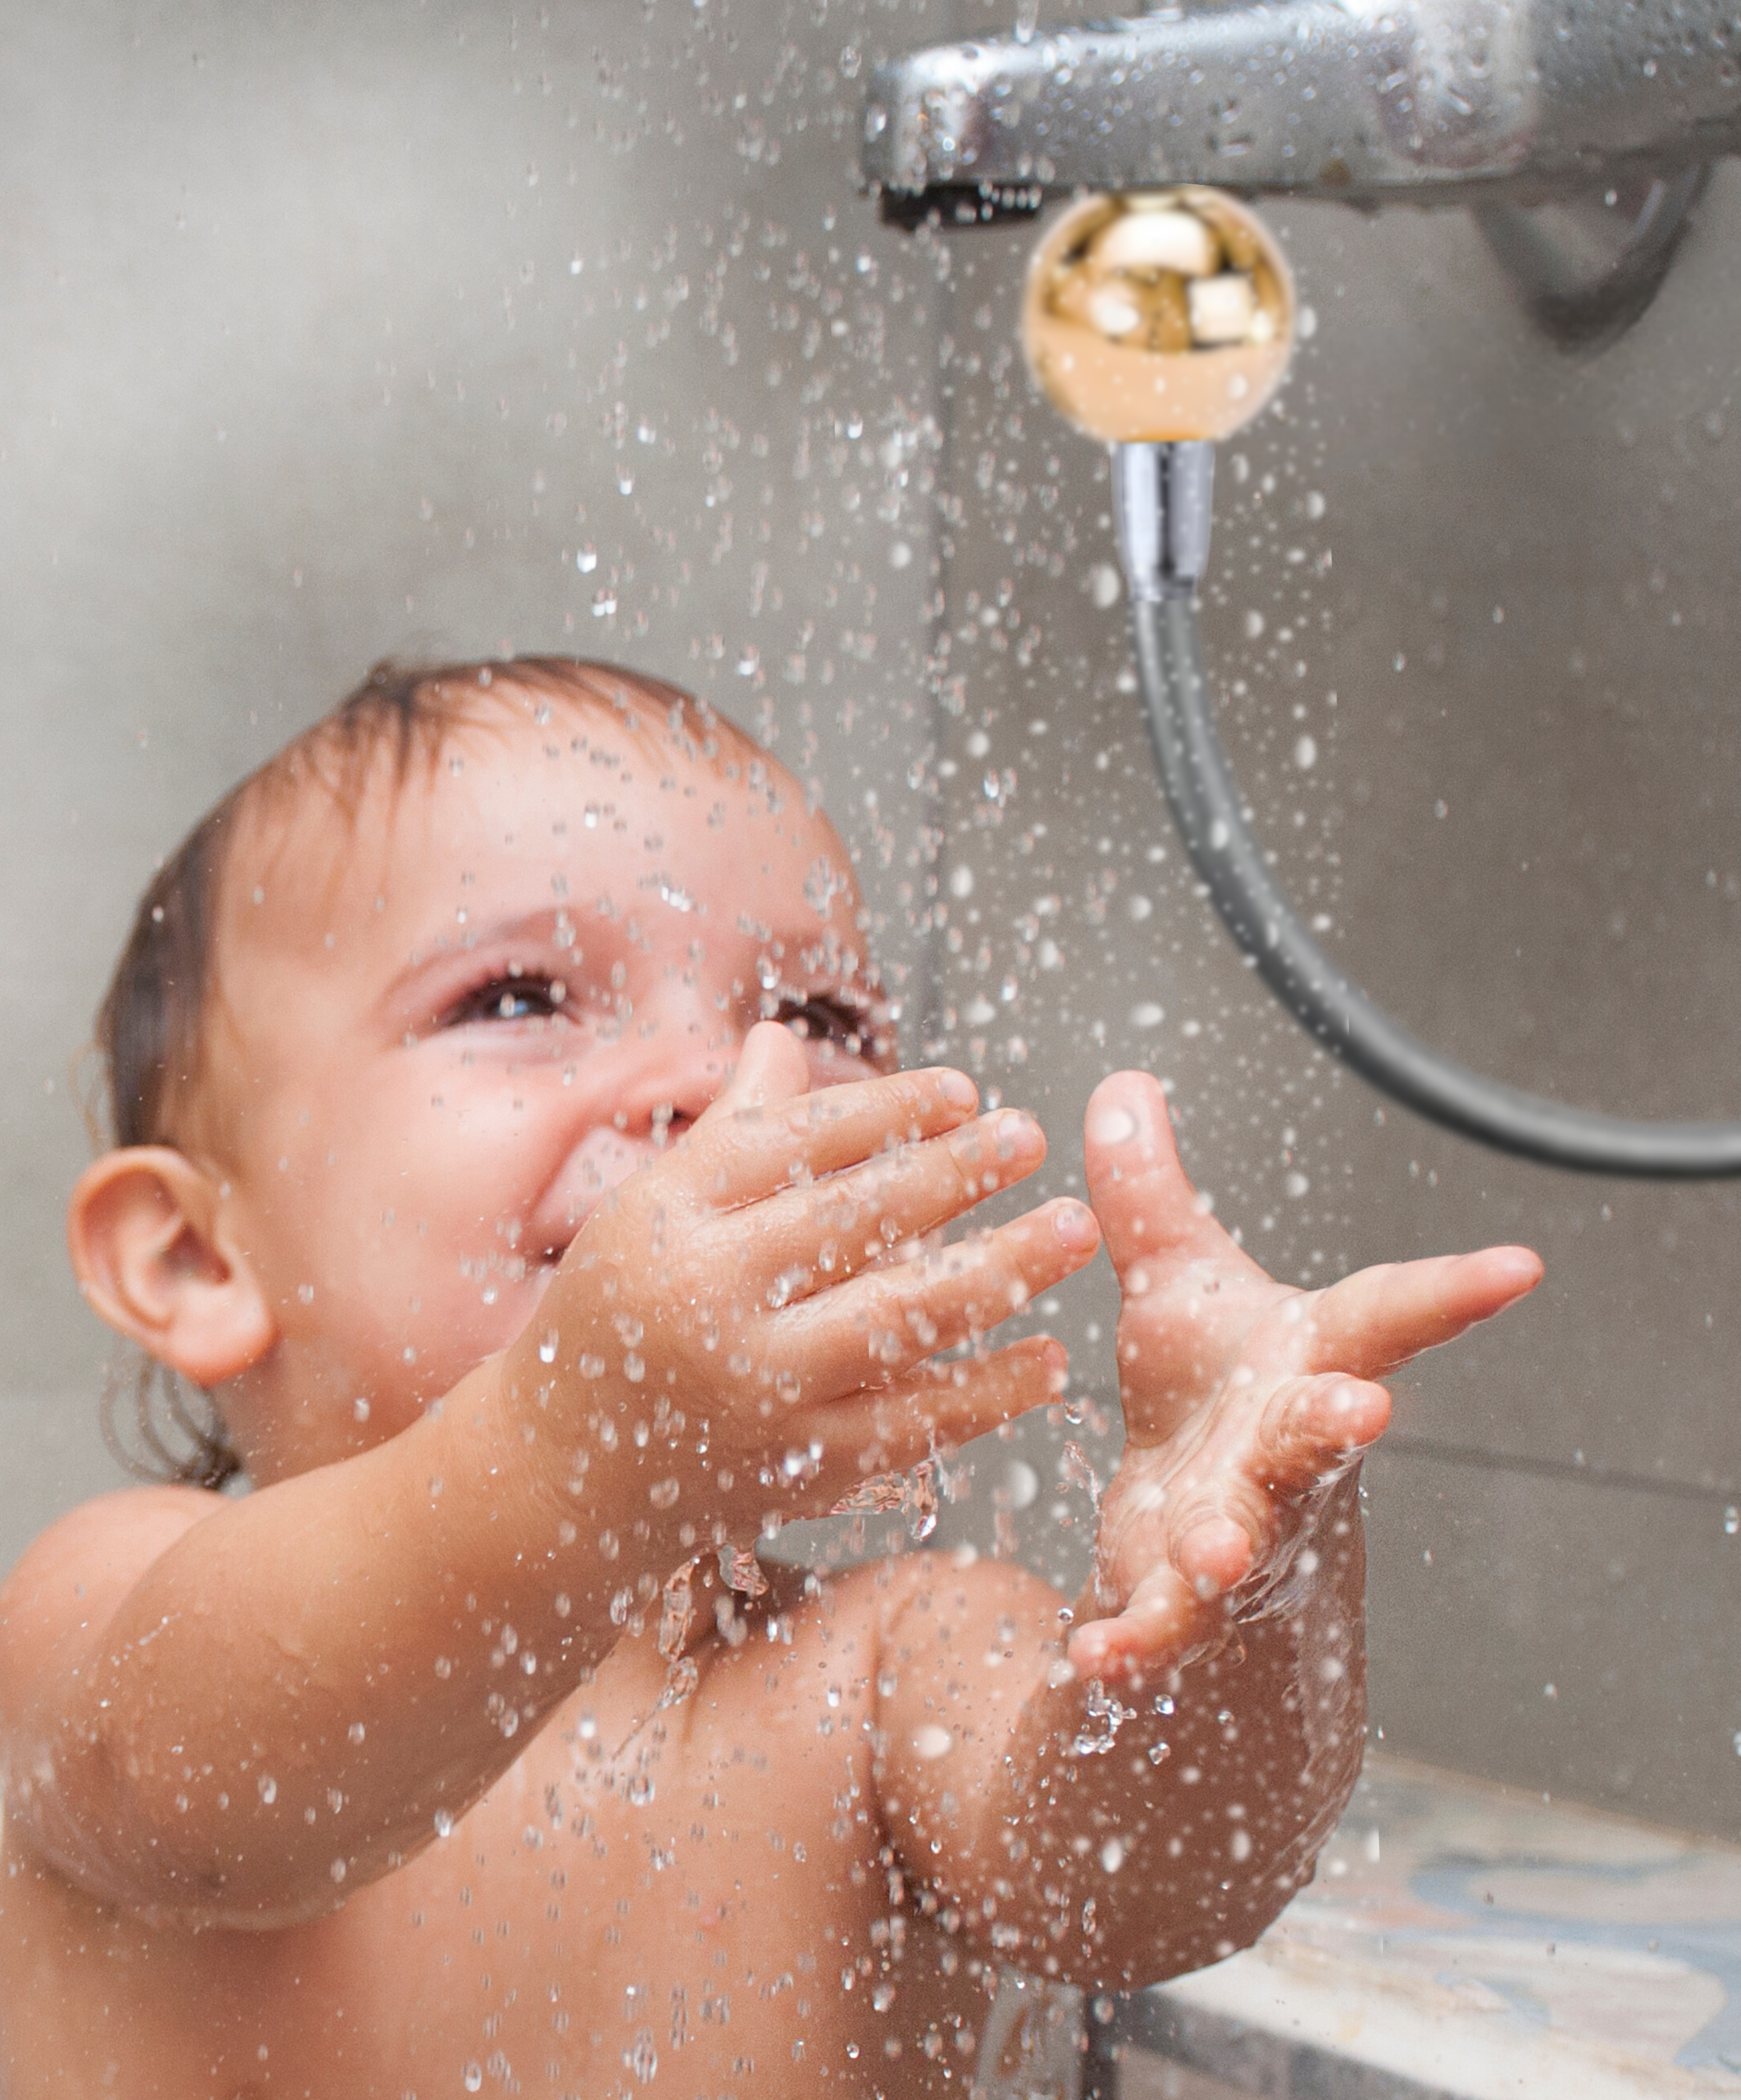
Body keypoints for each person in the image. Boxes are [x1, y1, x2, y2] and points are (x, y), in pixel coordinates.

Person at [0, 655, 1541, 2096]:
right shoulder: (108, 1605)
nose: (728, 1081)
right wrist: (577, 1444)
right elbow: (230, 1804)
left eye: (816, 1017)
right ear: (193, 1259)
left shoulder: (879, 1671)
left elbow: (1153, 1885)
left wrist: (1245, 1599)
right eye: (519, 998)